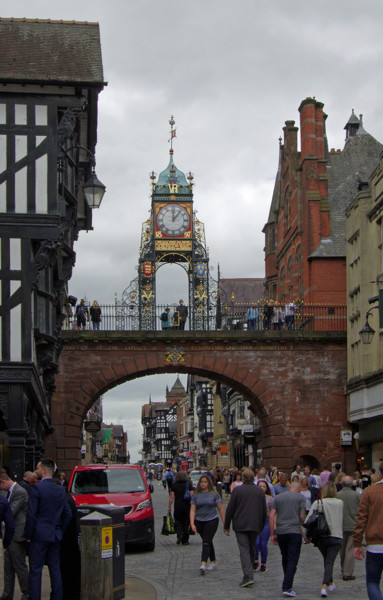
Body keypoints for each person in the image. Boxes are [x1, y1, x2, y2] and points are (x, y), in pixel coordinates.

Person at [24, 457, 72, 600]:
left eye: (38, 468)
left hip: (38, 535)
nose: (36, 471)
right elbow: (67, 515)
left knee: (35, 570)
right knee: (55, 569)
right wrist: (60, 531)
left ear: (44, 470)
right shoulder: (60, 490)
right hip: (55, 535)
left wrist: (28, 534)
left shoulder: (37, 488)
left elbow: (31, 513)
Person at [223, 468, 267, 588]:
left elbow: (230, 509)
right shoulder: (259, 492)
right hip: (255, 525)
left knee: (244, 549)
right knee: (251, 547)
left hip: (240, 525)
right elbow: (264, 512)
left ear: (242, 478)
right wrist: (261, 527)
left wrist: (226, 525)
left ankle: (248, 576)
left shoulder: (238, 491)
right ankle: (250, 571)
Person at [304, 481, 343, 598]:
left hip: (322, 536)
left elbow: (308, 521)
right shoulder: (340, 503)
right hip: (337, 536)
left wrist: (307, 535)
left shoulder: (318, 503)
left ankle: (327, 584)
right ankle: (326, 584)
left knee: (327, 560)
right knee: (329, 561)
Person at [269, 481, 306, 597]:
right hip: (294, 531)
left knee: (285, 557)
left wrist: (272, 534)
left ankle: (287, 580)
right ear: (299, 489)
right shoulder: (300, 497)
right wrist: (304, 529)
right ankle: (287, 586)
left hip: (281, 532)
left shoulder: (278, 498)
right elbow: (302, 516)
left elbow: (271, 516)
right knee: (292, 559)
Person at [353, 461, 383, 600]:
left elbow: (361, 519)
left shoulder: (370, 492)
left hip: (375, 544)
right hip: (375, 543)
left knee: (372, 582)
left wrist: (357, 543)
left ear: (380, 473)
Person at [0, 473, 29, 600]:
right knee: (8, 567)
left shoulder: (20, 492)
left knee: (19, 566)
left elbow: (10, 512)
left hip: (17, 534)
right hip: (9, 534)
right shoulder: (9, 492)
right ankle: (7, 594)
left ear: (3, 481)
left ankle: (27, 593)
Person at [190, 474, 225, 574]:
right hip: (199, 521)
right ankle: (213, 561)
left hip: (212, 520)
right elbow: (192, 510)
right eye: (201, 482)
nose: (203, 484)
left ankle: (203, 563)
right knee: (208, 540)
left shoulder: (214, 494)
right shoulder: (196, 495)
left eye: (205, 482)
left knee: (206, 541)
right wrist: (192, 523)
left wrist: (225, 523)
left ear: (208, 483)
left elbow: (221, 509)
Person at [337, 475, 360, 581]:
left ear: (342, 483)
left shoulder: (337, 495)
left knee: (342, 550)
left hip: (340, 525)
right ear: (352, 484)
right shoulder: (356, 495)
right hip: (353, 525)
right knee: (350, 549)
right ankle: (348, 572)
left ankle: (343, 569)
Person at [168, 470, 194, 545]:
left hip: (178, 506)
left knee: (178, 521)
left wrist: (169, 506)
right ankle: (185, 539)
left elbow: (171, 497)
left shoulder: (175, 484)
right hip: (187, 506)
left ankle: (179, 535)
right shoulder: (188, 483)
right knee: (186, 522)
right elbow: (192, 495)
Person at [254, 479, 274, 573]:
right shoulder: (253, 497)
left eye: (264, 486)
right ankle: (255, 560)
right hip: (256, 521)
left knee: (263, 544)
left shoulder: (270, 498)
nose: (262, 488)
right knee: (256, 543)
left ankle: (263, 563)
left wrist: (274, 525)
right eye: (260, 486)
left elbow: (273, 513)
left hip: (266, 522)